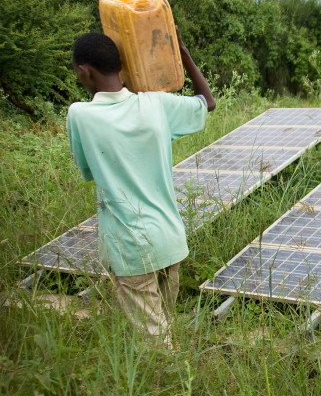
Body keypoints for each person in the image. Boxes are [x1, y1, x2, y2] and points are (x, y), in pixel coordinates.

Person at [67, 31, 216, 346]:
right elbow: (208, 102)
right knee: (165, 328)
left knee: (157, 345)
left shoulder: (80, 115)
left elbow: (88, 171)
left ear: (84, 70)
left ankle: (173, 377)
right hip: (168, 238)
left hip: (130, 246)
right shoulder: (156, 104)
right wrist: (183, 55)